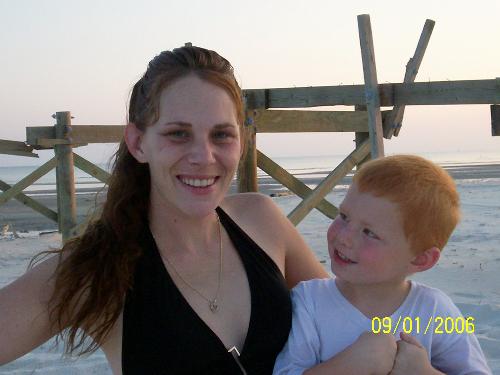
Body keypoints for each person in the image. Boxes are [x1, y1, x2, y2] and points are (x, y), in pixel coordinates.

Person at [0, 45, 329, 374]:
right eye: (178, 134)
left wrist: (380, 343)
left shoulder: (262, 220)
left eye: (221, 135)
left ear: (241, 141)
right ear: (138, 143)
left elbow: (359, 312)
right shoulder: (98, 269)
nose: (203, 156)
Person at [273, 155, 492, 375]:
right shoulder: (309, 302)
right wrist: (350, 365)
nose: (344, 237)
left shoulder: (434, 311)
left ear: (419, 259)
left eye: (369, 232)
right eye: (344, 216)